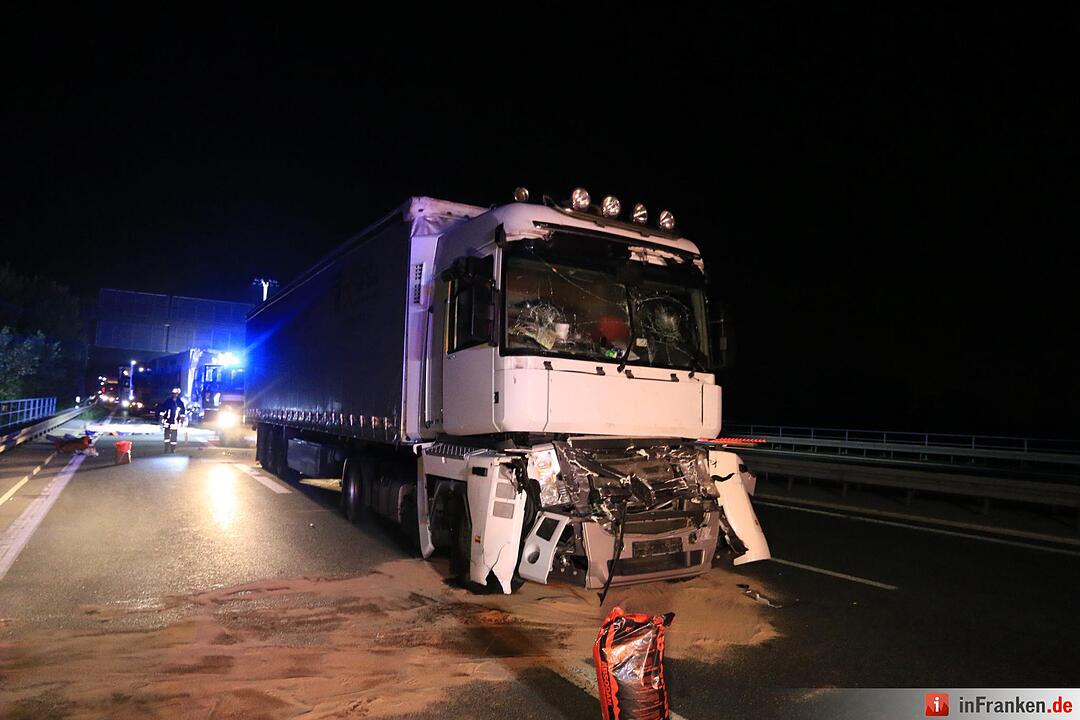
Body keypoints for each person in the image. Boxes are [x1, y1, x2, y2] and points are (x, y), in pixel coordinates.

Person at [158, 387, 186, 453]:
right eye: (173, 393)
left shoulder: (180, 403)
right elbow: (162, 411)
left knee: (174, 435)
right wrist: (161, 420)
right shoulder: (168, 402)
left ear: (178, 394)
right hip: (167, 421)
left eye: (176, 394)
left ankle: (173, 449)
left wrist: (182, 422)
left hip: (175, 422)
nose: (174, 395)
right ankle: (166, 447)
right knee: (166, 435)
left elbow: (182, 413)